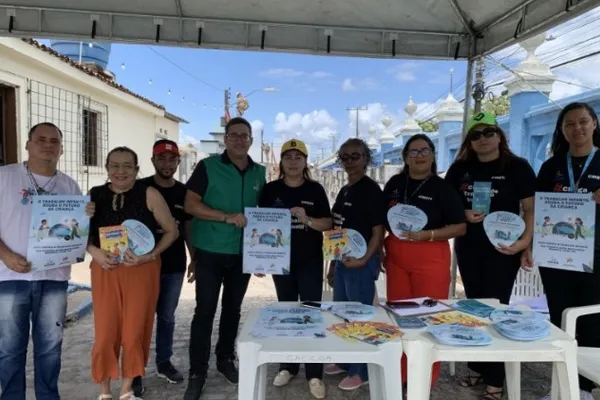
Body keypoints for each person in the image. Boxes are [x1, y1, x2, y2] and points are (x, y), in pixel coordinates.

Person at [445, 112, 536, 400]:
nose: (482, 139)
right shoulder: (460, 169)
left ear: (499, 135)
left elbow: (532, 209)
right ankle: (477, 365)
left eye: (488, 133)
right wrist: (462, 213)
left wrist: (524, 242)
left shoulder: (517, 167)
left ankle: (496, 377)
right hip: (469, 247)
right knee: (474, 306)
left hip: (503, 250)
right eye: (476, 135)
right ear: (469, 142)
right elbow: (447, 206)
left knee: (496, 307)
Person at [0, 122, 94, 400]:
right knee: (9, 348)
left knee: (50, 347)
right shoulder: (4, 177)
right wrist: (5, 255)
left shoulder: (69, 185)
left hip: (54, 279)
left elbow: (77, 232)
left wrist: (86, 215)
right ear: (28, 145)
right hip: (10, 277)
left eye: (54, 141)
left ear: (61, 149)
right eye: (41, 139)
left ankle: (48, 396)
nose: (48, 145)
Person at [184, 117, 266, 400]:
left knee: (233, 309)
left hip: (242, 254)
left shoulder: (259, 172)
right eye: (234, 135)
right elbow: (190, 204)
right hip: (210, 251)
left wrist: (263, 255)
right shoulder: (208, 166)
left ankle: (225, 359)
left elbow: (263, 216)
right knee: (204, 311)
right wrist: (225, 217)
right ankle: (197, 373)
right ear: (226, 139)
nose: (239, 140)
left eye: (245, 135)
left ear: (251, 140)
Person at [522, 102, 600, 400]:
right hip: (557, 258)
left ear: (594, 123)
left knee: (591, 325)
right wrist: (529, 246)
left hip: (596, 259)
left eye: (583, 121)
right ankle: (562, 389)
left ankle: (584, 389)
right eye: (569, 124)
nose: (577, 128)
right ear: (562, 130)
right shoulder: (551, 167)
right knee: (560, 321)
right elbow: (538, 209)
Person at [87, 146, 178, 400]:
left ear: (137, 170)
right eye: (115, 165)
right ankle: (104, 392)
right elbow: (78, 233)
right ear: (107, 168)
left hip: (141, 270)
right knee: (105, 334)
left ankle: (127, 390)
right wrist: (93, 250)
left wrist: (149, 255)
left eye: (128, 165)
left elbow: (172, 231)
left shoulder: (149, 193)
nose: (121, 171)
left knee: (134, 331)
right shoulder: (93, 195)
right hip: (105, 270)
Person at [383, 134, 466, 388]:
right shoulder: (395, 183)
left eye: (424, 150)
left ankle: (423, 380)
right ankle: (401, 375)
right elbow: (381, 218)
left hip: (430, 256)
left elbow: (460, 227)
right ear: (405, 157)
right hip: (397, 257)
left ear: (432, 154)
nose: (418, 156)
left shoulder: (442, 188)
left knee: (428, 318)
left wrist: (426, 235)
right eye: (412, 152)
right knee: (401, 318)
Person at [258, 139, 332, 399]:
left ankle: (314, 373)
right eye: (287, 157)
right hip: (281, 263)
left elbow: (328, 224)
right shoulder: (269, 190)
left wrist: (308, 219)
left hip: (310, 261)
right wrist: (259, 259)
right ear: (281, 162)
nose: (292, 161)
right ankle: (287, 366)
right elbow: (260, 226)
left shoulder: (315, 189)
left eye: (297, 157)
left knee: (312, 314)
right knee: (286, 313)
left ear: (305, 162)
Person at [131, 140, 193, 396]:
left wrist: (194, 258)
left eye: (172, 159)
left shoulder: (183, 192)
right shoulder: (140, 188)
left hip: (174, 265)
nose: (167, 164)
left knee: (166, 317)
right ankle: (135, 371)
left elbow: (187, 227)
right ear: (153, 161)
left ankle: (163, 362)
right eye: (162, 159)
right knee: (139, 319)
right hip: (142, 266)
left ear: (177, 162)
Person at [324, 138, 385, 391]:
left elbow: (378, 231)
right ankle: (347, 362)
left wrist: (364, 260)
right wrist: (332, 265)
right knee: (342, 314)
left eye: (356, 156)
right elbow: (338, 229)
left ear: (366, 158)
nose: (350, 162)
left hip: (361, 264)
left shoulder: (371, 190)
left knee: (359, 315)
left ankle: (361, 371)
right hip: (342, 262)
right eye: (346, 157)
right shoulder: (345, 188)